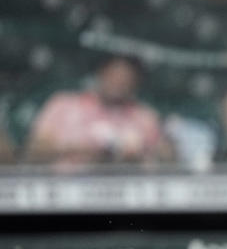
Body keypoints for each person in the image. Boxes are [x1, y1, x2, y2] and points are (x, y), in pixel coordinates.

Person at [24, 55, 174, 167]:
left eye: (126, 79)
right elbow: (33, 153)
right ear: (100, 75)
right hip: (65, 194)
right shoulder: (63, 105)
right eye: (114, 76)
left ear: (135, 84)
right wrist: (84, 151)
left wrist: (139, 156)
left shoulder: (144, 116)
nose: (119, 83)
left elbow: (169, 158)